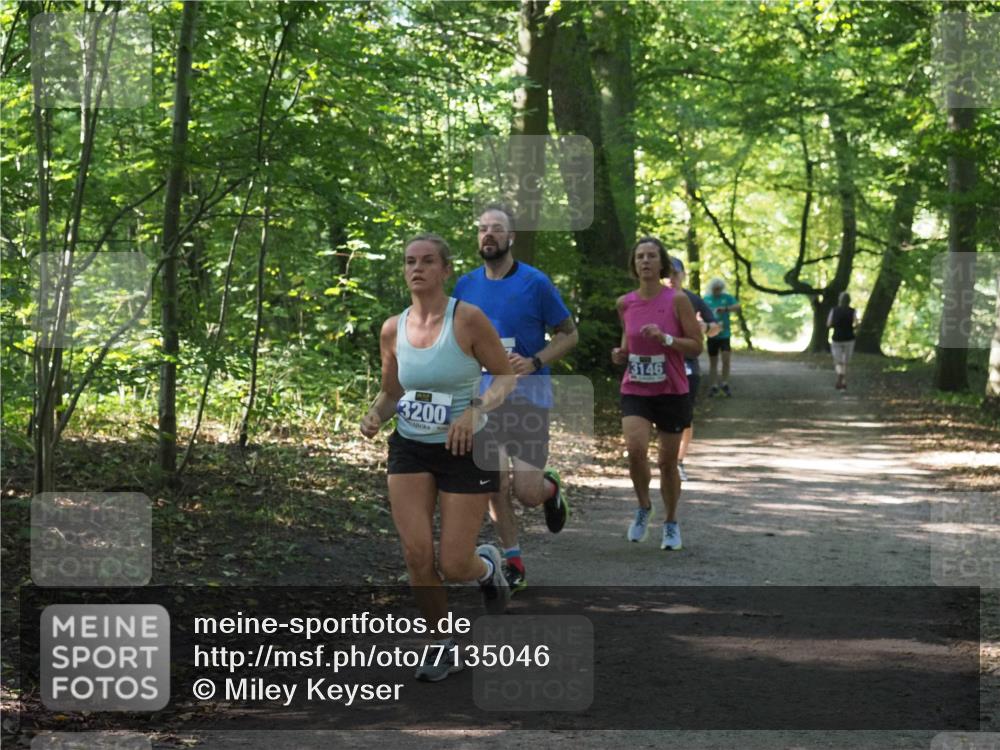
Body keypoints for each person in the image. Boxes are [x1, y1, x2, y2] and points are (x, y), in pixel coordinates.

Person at [360, 233, 517, 682]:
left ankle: (487, 568)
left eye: (428, 261)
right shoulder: (392, 329)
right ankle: (442, 643)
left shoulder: (467, 319)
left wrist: (475, 410)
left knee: (454, 564)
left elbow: (504, 377)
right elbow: (392, 392)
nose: (417, 268)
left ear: (446, 270)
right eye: (410, 261)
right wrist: (374, 415)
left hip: (466, 449)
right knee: (416, 555)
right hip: (410, 447)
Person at [453, 204, 577, 593]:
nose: (488, 234)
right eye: (482, 229)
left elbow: (569, 333)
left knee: (526, 493)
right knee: (494, 482)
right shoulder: (465, 286)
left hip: (528, 397)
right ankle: (514, 562)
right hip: (484, 398)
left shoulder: (535, 283)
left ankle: (549, 488)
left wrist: (535, 360)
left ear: (511, 237)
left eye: (497, 228)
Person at [612, 237, 703, 550]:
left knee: (666, 462)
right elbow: (628, 343)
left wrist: (666, 339)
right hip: (636, 387)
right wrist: (620, 354)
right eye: (640, 257)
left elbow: (697, 346)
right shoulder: (625, 303)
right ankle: (643, 507)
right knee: (635, 449)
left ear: (662, 263)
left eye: (651, 256)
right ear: (634, 264)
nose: (645, 261)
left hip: (671, 389)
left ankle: (671, 521)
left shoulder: (677, 300)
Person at [666, 258, 721, 481]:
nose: (670, 278)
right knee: (659, 413)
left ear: (683, 275)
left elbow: (716, 327)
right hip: (658, 365)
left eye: (675, 273)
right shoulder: (650, 298)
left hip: (687, 365)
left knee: (684, 415)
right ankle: (666, 459)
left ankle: (678, 461)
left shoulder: (693, 299)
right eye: (666, 273)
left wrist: (704, 327)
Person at [703, 278, 740, 397]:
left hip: (725, 335)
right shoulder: (706, 299)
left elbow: (737, 306)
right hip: (712, 335)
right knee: (713, 362)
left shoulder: (727, 298)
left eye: (719, 289)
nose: (717, 291)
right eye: (715, 289)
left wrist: (725, 309)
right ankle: (713, 385)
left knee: (726, 359)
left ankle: (725, 383)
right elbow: (700, 314)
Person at [827, 291, 858, 391]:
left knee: (838, 361)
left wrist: (835, 324)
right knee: (846, 361)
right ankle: (843, 381)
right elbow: (856, 323)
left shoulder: (834, 310)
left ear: (839, 300)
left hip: (837, 338)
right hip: (849, 338)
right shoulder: (853, 311)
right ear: (849, 300)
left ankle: (840, 374)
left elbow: (828, 324)